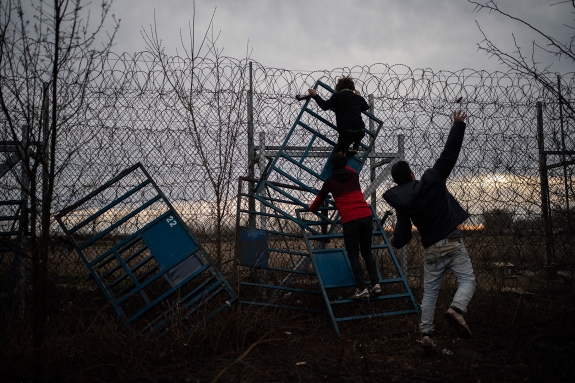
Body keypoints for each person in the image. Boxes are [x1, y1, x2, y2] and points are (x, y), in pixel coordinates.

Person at [382, 110, 476, 355]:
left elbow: (403, 235)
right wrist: (457, 124)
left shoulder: (403, 205)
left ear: (396, 182)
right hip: (452, 241)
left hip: (431, 248)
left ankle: (426, 334)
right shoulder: (432, 180)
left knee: (430, 293)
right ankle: (457, 309)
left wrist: (395, 241)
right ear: (412, 174)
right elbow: (448, 155)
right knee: (467, 280)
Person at [307, 153, 380, 300]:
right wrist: (343, 157)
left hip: (351, 220)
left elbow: (316, 205)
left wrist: (310, 208)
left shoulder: (330, 182)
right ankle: (375, 284)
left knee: (353, 254)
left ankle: (361, 289)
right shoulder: (354, 176)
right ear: (345, 164)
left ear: (332, 166)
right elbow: (349, 168)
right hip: (366, 215)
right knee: (367, 252)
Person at [308, 76, 369, 155]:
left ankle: (343, 154)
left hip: (346, 131)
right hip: (360, 130)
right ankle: (355, 147)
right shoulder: (356, 97)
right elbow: (365, 107)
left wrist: (315, 95)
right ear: (352, 87)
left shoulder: (337, 96)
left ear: (338, 87)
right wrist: (359, 96)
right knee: (353, 139)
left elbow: (325, 106)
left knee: (339, 155)